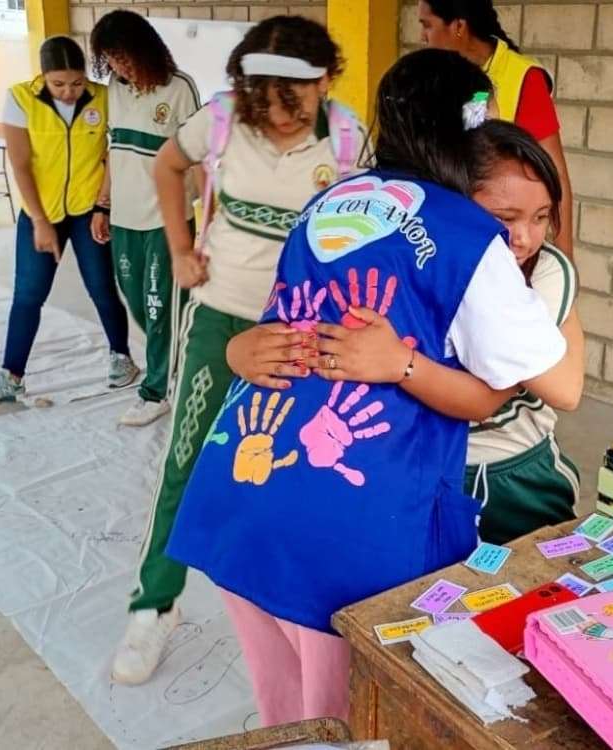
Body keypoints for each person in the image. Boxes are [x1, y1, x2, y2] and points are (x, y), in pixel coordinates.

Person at [165, 48, 582, 727]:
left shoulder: (328, 201)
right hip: (346, 524)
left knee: (284, 711)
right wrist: (548, 270)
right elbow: (553, 378)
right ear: (465, 131)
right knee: (349, 716)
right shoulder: (466, 235)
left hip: (242, 483)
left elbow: (281, 325)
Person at [109, 15, 367, 686]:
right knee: (188, 459)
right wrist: (178, 245)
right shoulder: (222, 119)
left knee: (297, 467)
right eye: (265, 98)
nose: (278, 115)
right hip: (223, 316)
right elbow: (168, 165)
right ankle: (155, 603)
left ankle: (293, 611)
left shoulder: (347, 138)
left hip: (303, 333)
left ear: (325, 82)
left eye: (295, 99)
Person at [229, 120, 584, 545]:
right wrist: (239, 350)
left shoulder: (544, 273)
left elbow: (526, 394)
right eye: (504, 218)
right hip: (425, 468)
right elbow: (323, 341)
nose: (524, 237)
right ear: (453, 212)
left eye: (542, 217)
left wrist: (401, 364)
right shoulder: (424, 260)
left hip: (516, 470)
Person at [0, 37, 137, 404]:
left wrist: (103, 206)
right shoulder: (20, 98)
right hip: (39, 211)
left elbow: (114, 152)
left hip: (87, 210)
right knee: (29, 293)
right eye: (58, 84)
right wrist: (40, 221)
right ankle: (11, 375)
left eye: (76, 83)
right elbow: (19, 163)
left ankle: (121, 358)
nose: (68, 92)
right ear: (43, 77)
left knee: (101, 287)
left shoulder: (104, 97)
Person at [89, 10, 201, 427]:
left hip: (164, 220)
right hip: (125, 218)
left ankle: (156, 391)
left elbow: (197, 156)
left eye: (124, 56)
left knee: (160, 308)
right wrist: (103, 205)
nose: (119, 66)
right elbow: (113, 154)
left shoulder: (179, 88)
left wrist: (207, 219)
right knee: (138, 302)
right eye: (111, 59)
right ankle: (173, 363)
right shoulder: (114, 92)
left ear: (144, 49)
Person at [417, 0, 574, 256]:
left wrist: (564, 255)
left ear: (458, 26)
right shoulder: (432, 79)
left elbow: (555, 174)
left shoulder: (522, 77)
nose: (422, 36)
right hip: (443, 238)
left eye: (427, 25)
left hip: (501, 244)